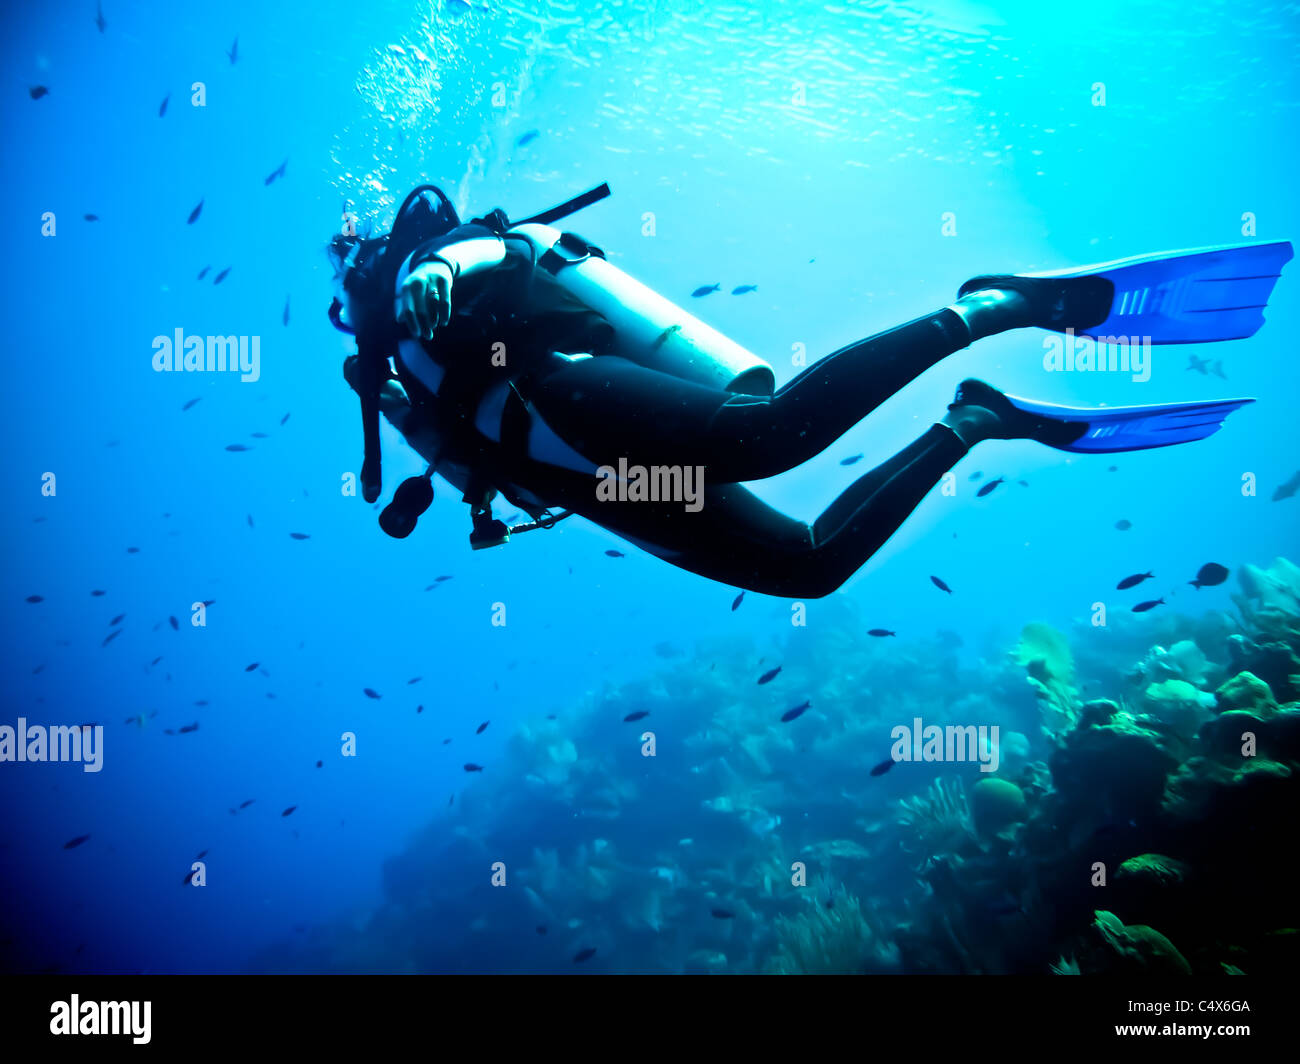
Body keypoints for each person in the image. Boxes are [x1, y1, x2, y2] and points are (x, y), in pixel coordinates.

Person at [328, 184, 1291, 597]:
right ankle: (975, 419)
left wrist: (443, 265)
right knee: (806, 568)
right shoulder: (385, 369)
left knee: (773, 433)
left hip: (560, 394)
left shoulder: (430, 265)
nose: (349, 295)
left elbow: (491, 247)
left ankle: (995, 306)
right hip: (597, 486)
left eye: (352, 276)